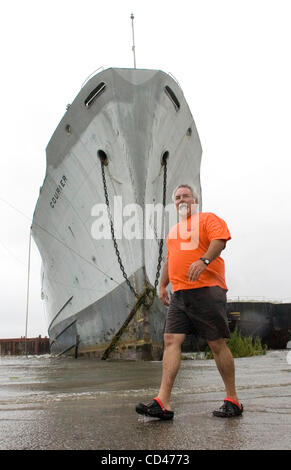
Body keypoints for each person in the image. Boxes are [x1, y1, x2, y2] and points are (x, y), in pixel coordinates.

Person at [136, 184, 243, 419]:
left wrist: (203, 261)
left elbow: (221, 240)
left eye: (186, 195)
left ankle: (233, 400)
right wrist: (163, 285)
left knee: (216, 344)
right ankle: (163, 403)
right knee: (171, 340)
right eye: (177, 197)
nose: (181, 199)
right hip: (180, 294)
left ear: (195, 199)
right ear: (174, 203)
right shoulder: (174, 231)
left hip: (207, 289)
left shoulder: (207, 219)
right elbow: (170, 260)